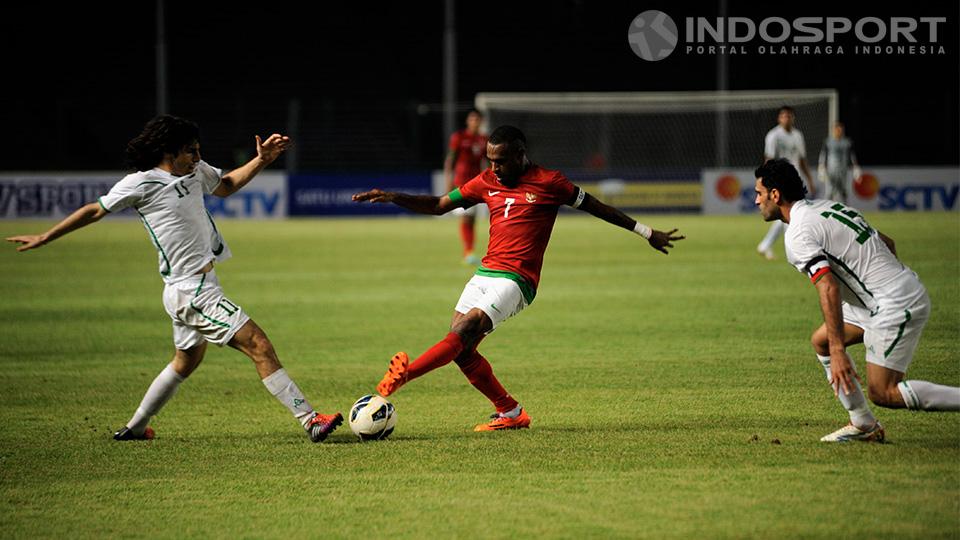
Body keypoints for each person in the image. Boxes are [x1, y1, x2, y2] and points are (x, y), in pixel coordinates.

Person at [6, 115, 343, 442]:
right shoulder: (142, 183)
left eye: (198, 150)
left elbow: (225, 186)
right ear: (169, 153)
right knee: (259, 344)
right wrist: (47, 236)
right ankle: (311, 420)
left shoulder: (195, 172)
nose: (198, 157)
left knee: (185, 361)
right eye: (191, 151)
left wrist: (262, 160)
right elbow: (96, 209)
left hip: (195, 287)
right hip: (191, 290)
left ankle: (135, 427)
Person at [352, 125, 684, 431]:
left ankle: (404, 376)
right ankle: (511, 413)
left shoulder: (551, 183)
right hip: (484, 273)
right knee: (461, 350)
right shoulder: (485, 181)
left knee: (466, 330)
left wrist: (646, 232)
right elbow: (440, 205)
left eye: (502, 161)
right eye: (491, 160)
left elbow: (598, 207)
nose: (495, 168)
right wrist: (396, 197)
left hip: (518, 280)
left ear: (521, 154)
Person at [753, 158, 959, 442]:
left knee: (883, 391)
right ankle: (864, 425)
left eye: (759, 193)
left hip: (893, 302)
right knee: (821, 341)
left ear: (775, 195)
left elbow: (828, 288)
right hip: (881, 298)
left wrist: (840, 351)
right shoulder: (827, 206)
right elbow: (887, 242)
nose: (756, 201)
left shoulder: (798, 232)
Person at [756, 105, 817, 260]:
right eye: (783, 116)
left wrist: (809, 179)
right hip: (778, 180)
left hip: (794, 180)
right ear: (779, 118)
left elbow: (802, 160)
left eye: (789, 116)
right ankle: (791, 250)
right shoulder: (773, 135)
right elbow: (768, 159)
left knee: (789, 213)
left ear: (793, 118)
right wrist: (766, 181)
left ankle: (767, 245)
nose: (786, 118)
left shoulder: (798, 136)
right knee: (789, 211)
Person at [444, 109, 488, 265]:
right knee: (466, 216)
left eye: (477, 119)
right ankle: (468, 252)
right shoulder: (459, 137)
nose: (475, 122)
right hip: (461, 182)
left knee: (472, 219)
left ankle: (469, 251)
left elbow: (487, 162)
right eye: (472, 119)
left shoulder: (484, 139)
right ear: (468, 121)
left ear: (481, 121)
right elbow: (451, 160)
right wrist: (448, 181)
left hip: (477, 183)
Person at [818, 122, 862, 204]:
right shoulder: (827, 142)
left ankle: (846, 208)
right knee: (829, 191)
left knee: (843, 190)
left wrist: (856, 168)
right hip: (831, 170)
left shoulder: (847, 142)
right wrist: (821, 167)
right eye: (837, 129)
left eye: (841, 130)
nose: (839, 131)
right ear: (833, 130)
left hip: (843, 170)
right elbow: (823, 155)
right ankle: (827, 209)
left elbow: (852, 156)